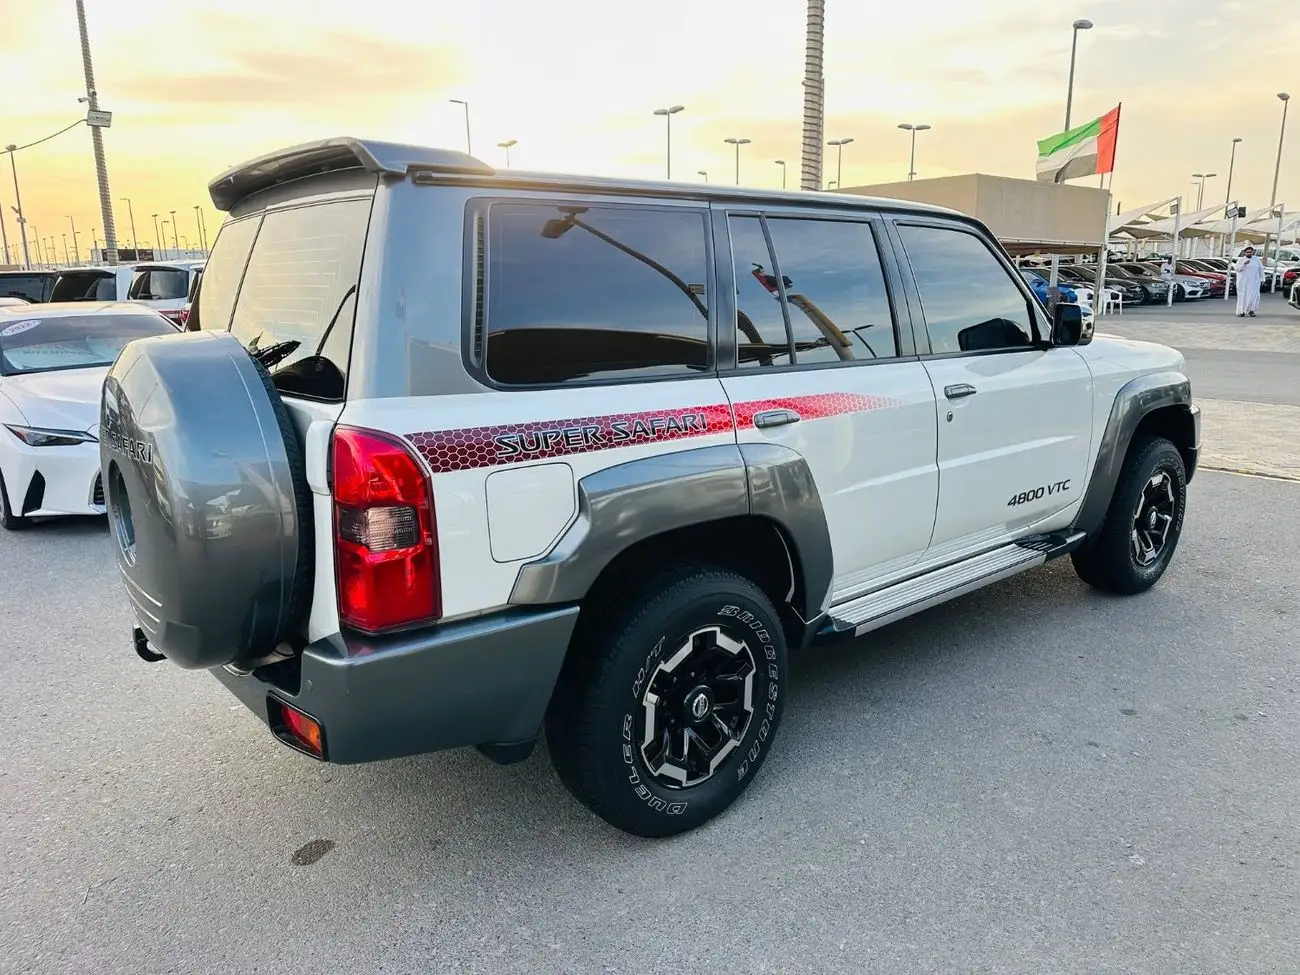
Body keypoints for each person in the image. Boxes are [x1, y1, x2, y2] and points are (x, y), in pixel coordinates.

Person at [1235, 245, 1264, 317]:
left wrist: (1262, 279)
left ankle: (1252, 310)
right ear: (1244, 253)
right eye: (1247, 252)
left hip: (1254, 282)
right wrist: (1244, 264)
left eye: (1250, 252)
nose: (1249, 253)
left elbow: (1261, 269)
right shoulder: (1241, 260)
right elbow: (1238, 269)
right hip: (1243, 282)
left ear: (1253, 252)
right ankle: (1241, 311)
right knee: (1243, 297)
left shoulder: (1257, 259)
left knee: (1253, 296)